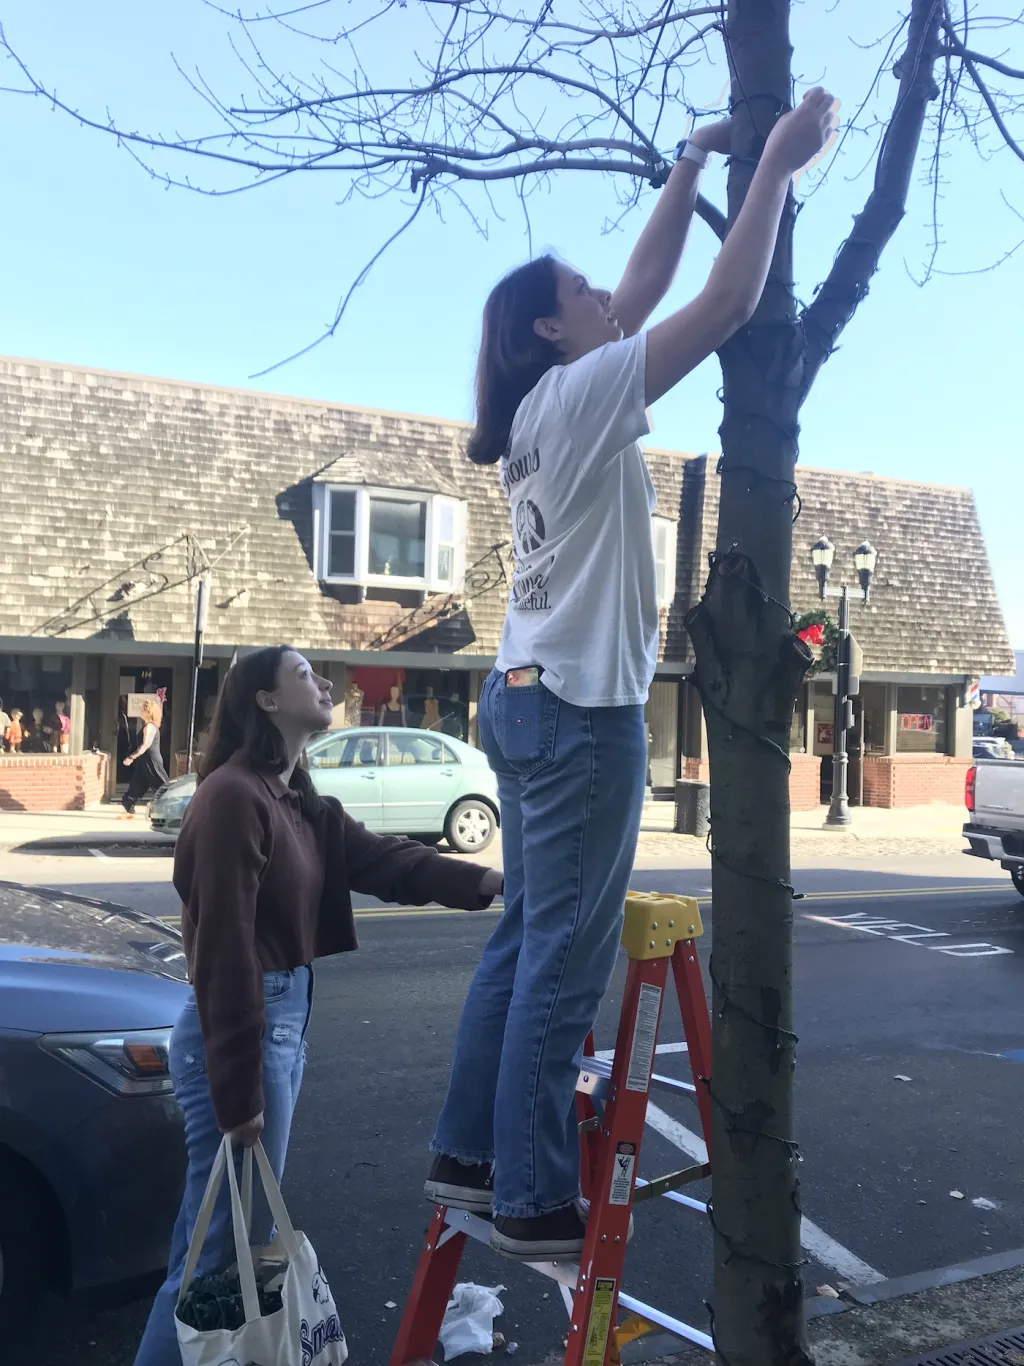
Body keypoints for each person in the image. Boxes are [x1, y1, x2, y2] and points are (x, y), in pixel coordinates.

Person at [425, 90, 837, 1260]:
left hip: (521, 695)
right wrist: (779, 172)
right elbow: (722, 299)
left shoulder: (554, 398)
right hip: (574, 712)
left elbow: (649, 286)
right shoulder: (581, 391)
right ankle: (531, 1195)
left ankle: (467, 1156)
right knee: (563, 951)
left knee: (523, 937)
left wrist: (692, 163)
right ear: (552, 332)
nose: (607, 296)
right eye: (582, 294)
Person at [134, 645, 502, 1366]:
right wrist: (239, 1095)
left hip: (278, 1025)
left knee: (209, 1236)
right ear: (264, 700)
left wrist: (489, 883)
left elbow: (388, 861)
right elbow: (223, 953)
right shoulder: (234, 796)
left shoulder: (294, 796)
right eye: (303, 673)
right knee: (215, 1254)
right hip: (243, 1029)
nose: (323, 681)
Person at [120, 696, 169, 816]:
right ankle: (128, 802)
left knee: (162, 785)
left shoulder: (150, 726)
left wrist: (131, 757)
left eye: (142, 709)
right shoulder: (147, 725)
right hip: (144, 760)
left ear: (148, 712)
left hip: (151, 760)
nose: (140, 711)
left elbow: (145, 744)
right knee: (139, 782)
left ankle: (169, 805)